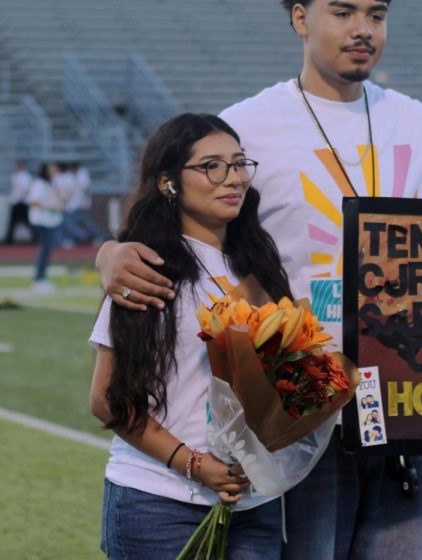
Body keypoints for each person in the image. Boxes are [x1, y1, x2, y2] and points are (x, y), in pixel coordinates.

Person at [95, 0, 422, 560]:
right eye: (343, 11)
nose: (363, 29)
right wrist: (109, 253)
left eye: (376, 14)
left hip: (406, 396)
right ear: (301, 19)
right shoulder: (249, 124)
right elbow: (168, 210)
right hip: (300, 400)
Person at [89, 113, 287, 559]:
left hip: (255, 504)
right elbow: (107, 399)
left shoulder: (257, 264)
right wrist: (195, 465)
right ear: (168, 182)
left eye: (238, 164)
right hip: (160, 501)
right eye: (211, 166)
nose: (231, 178)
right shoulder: (145, 267)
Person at [27, 162, 65, 293]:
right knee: (45, 249)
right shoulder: (40, 184)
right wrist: (51, 207)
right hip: (42, 221)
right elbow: (33, 202)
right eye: (51, 169)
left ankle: (41, 278)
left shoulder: (50, 184)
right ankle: (39, 279)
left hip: (49, 221)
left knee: (47, 250)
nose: (54, 171)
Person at [61, 162, 107, 246]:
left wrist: (86, 202)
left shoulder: (82, 174)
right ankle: (91, 236)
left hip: (78, 204)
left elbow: (85, 189)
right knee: (78, 223)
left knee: (76, 223)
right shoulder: (72, 176)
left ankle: (87, 236)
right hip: (74, 205)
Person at [5, 161, 33, 244]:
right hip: (15, 201)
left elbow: (26, 190)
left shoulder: (27, 177)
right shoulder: (14, 176)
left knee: (28, 222)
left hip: (23, 202)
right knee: (12, 222)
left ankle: (34, 238)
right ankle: (9, 239)